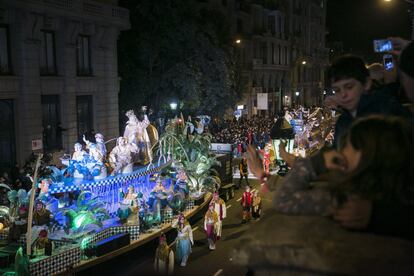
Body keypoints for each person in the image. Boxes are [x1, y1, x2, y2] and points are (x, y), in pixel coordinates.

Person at [245, 115, 414, 240]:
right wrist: (264, 174)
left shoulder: (348, 200)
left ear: (368, 156)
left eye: (349, 145)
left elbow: (286, 198)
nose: (342, 150)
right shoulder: (398, 201)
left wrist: (317, 163)